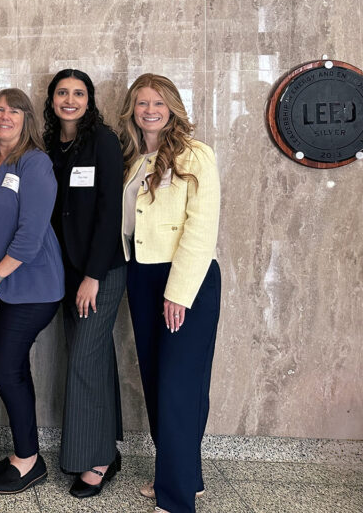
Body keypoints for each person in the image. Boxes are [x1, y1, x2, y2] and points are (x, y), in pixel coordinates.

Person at [120, 74, 221, 513]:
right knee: (158, 383)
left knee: (180, 386)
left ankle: (176, 500)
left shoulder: (196, 155)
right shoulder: (134, 159)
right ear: (132, 110)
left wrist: (178, 292)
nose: (149, 109)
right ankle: (183, 475)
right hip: (141, 276)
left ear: (173, 107)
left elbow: (201, 229)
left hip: (186, 280)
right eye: (141, 102)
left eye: (158, 102)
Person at [0, 88, 64, 495]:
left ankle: (29, 461)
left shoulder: (35, 163)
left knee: (5, 368)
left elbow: (31, 232)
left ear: (27, 119)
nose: (4, 116)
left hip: (33, 284)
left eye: (14, 110)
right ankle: (24, 453)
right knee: (15, 369)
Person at [42, 70, 125, 497]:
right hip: (66, 271)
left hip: (101, 271)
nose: (69, 100)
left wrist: (93, 275)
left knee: (83, 361)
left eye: (78, 93)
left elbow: (111, 212)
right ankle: (107, 447)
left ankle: (96, 460)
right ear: (52, 99)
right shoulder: (50, 146)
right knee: (91, 356)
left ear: (90, 100)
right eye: (62, 93)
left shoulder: (104, 142)